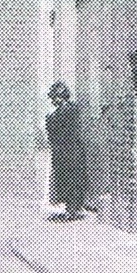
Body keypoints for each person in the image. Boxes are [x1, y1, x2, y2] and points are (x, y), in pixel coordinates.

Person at [46, 81, 88, 222]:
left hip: (70, 151)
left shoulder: (67, 111)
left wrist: (52, 119)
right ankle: (71, 208)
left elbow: (57, 131)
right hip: (65, 151)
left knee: (72, 179)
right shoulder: (64, 111)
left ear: (61, 96)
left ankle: (73, 209)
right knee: (66, 179)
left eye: (55, 97)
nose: (53, 101)